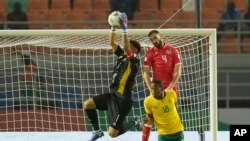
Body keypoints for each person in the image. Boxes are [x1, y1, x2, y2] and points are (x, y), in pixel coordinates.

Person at [83, 12, 142, 141]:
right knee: (87, 104)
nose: (128, 46)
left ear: (136, 50)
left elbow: (127, 49)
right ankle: (97, 131)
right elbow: (111, 42)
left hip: (123, 101)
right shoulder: (122, 55)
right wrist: (113, 27)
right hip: (112, 95)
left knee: (112, 134)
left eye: (131, 46)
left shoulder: (135, 60)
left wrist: (125, 29)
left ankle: (135, 122)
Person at [143, 29, 182, 95]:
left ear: (160, 36)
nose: (154, 41)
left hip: (171, 88)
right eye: (151, 40)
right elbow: (146, 73)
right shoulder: (150, 52)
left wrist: (170, 87)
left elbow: (178, 71)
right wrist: (151, 89)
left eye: (155, 38)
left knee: (172, 105)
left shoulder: (173, 50)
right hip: (157, 89)